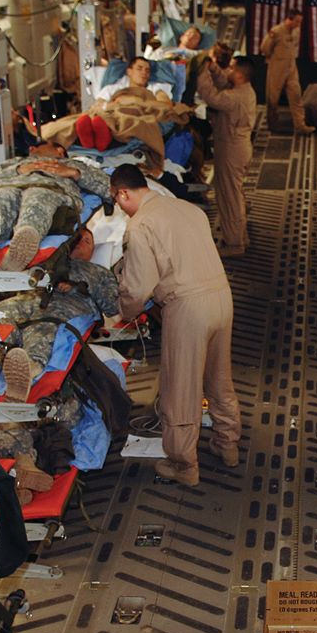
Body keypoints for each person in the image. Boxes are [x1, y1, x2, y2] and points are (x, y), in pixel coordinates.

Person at [111, 164, 241, 485]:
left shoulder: (140, 226)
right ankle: (228, 444)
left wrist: (123, 311)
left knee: (181, 388)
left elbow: (139, 285)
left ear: (123, 193)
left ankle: (184, 465)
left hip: (188, 309)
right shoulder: (187, 208)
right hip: (222, 297)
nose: (119, 208)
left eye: (116, 200)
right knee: (219, 378)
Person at [0, 228, 120, 401]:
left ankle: (29, 370)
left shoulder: (100, 273)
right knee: (0, 313)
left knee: (44, 325)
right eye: (78, 239)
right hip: (32, 299)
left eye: (88, 241)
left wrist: (80, 287)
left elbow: (112, 307)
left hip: (68, 306)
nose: (82, 243)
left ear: (93, 250)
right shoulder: (49, 262)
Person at [0, 141, 110, 271]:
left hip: (48, 188)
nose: (31, 148)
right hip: (5, 187)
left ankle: (25, 240)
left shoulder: (73, 165)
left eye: (39, 146)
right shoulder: (14, 162)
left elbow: (108, 188)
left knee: (38, 197)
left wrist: (74, 173)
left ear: (59, 151)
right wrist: (17, 170)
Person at [196, 54, 256, 258]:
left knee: (229, 196)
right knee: (234, 193)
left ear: (238, 74)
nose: (227, 70)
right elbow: (223, 82)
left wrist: (201, 71)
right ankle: (240, 236)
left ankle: (234, 244)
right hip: (237, 147)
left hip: (232, 149)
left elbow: (209, 95)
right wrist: (213, 69)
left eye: (230, 68)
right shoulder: (243, 90)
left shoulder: (234, 97)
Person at [76, 56, 171, 150]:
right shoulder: (113, 88)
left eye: (147, 70)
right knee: (95, 115)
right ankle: (95, 138)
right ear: (129, 71)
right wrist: (113, 106)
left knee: (126, 120)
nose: (144, 73)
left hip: (136, 117)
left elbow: (166, 106)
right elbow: (97, 106)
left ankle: (101, 140)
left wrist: (136, 101)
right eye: (139, 68)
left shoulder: (155, 89)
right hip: (112, 114)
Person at [258, 10, 313, 135]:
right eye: (297, 21)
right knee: (272, 98)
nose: (299, 24)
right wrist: (272, 58)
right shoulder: (276, 31)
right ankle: (272, 124)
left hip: (291, 68)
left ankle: (300, 125)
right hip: (277, 68)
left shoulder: (296, 31)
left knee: (296, 96)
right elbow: (265, 47)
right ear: (290, 19)